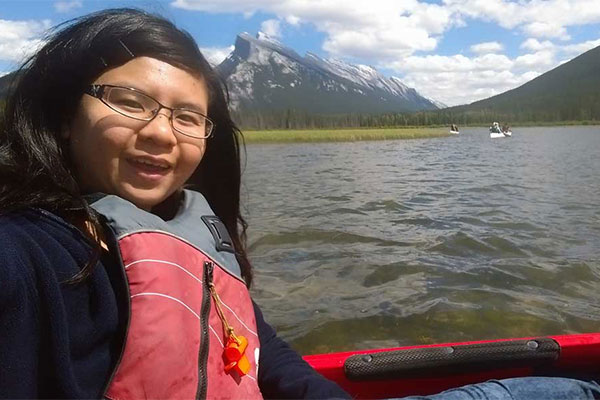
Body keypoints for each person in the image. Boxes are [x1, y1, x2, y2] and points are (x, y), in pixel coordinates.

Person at [0, 8, 598, 400]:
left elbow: (265, 351)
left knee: (562, 389)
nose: (162, 133)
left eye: (188, 116)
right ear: (62, 115)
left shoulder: (186, 234)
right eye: (129, 101)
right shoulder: (32, 252)